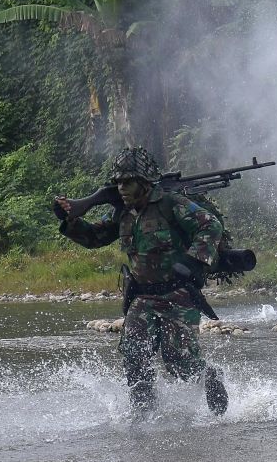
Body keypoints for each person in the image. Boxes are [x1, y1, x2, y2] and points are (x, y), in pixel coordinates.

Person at [53, 147, 229, 416]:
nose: (122, 188)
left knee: (180, 361)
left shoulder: (171, 205)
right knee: (134, 356)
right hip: (142, 298)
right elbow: (95, 238)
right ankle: (143, 415)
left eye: (128, 181)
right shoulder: (122, 213)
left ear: (144, 182)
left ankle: (210, 377)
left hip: (178, 295)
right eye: (118, 182)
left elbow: (211, 225)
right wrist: (68, 219)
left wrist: (194, 261)